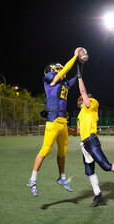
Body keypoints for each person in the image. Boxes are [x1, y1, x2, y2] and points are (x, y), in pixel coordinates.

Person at [68, 65, 114, 207]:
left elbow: (83, 92)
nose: (81, 101)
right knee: (89, 171)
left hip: (92, 140)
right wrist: (63, 125)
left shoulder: (92, 104)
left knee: (106, 166)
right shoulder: (80, 115)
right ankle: (98, 195)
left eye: (83, 99)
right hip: (84, 144)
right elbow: (76, 133)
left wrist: (80, 78)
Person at [28, 48, 83, 196]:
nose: (61, 71)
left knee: (63, 151)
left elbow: (76, 78)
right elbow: (66, 68)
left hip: (63, 121)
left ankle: (62, 178)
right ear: (51, 71)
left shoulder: (63, 83)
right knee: (45, 150)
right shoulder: (50, 80)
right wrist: (74, 57)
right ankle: (33, 179)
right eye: (58, 69)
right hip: (53, 119)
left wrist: (81, 64)